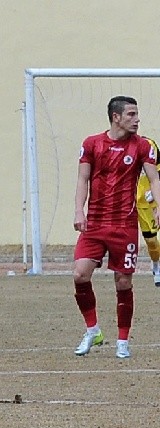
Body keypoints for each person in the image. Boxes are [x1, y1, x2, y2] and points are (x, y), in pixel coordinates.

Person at [73, 97, 160, 359]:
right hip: (95, 223)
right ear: (116, 117)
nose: (137, 119)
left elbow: (154, 178)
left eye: (137, 114)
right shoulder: (92, 144)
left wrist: (158, 205)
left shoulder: (142, 146)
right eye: (131, 114)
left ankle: (122, 340)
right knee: (80, 274)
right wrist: (79, 210)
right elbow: (82, 178)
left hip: (124, 225)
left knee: (123, 282)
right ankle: (93, 330)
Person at [136, 135, 160, 286]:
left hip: (152, 202)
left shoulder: (148, 145)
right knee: (151, 241)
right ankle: (156, 263)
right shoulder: (114, 148)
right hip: (137, 204)